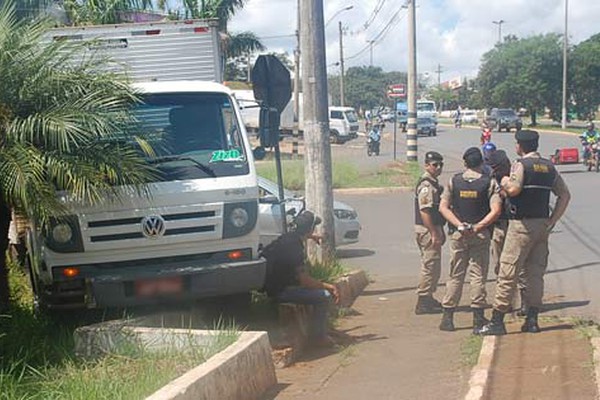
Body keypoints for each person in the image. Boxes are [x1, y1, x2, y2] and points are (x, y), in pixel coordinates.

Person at [478, 130, 571, 335]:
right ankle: (532, 320)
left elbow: (514, 190)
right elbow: (564, 195)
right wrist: (552, 221)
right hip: (542, 226)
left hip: (521, 225)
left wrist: (503, 182)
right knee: (535, 273)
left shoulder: (521, 165)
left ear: (520, 145)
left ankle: (497, 321)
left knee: (508, 271)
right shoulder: (548, 167)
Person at [438, 147, 502, 333]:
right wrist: (478, 227)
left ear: (465, 163)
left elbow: (443, 207)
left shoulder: (454, 181)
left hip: (458, 235)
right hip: (479, 235)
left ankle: (447, 318)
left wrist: (459, 225)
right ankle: (478, 321)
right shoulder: (489, 183)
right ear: (482, 163)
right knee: (477, 277)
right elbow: (496, 210)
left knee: (455, 275)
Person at [261, 210, 340, 347]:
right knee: (325, 296)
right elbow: (306, 281)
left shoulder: (287, 238)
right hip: (282, 291)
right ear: (309, 229)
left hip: (273, 286)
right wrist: (329, 286)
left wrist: (311, 236)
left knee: (318, 290)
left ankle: (321, 330)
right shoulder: (295, 249)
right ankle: (318, 337)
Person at [414, 151, 446, 315]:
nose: (438, 167)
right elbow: (425, 211)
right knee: (430, 265)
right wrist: (434, 232)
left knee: (433, 265)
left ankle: (428, 297)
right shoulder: (427, 186)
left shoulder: (433, 183)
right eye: (435, 165)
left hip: (431, 228)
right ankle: (423, 300)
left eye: (441, 164)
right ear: (427, 165)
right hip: (427, 229)